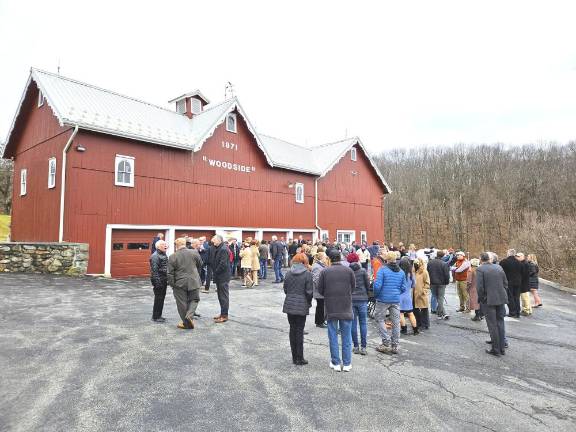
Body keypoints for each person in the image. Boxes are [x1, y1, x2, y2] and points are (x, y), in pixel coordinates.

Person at [317, 249, 355, 372]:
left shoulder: (325, 271)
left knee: (333, 336)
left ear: (329, 259)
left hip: (331, 307)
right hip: (346, 306)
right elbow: (352, 288)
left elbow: (320, 289)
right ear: (340, 258)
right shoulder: (349, 271)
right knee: (346, 336)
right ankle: (347, 363)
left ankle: (336, 362)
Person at [282, 253, 313, 365]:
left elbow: (285, 289)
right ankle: (300, 358)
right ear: (304, 261)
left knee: (292, 330)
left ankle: (294, 357)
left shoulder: (288, 273)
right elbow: (309, 292)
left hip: (290, 304)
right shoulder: (307, 274)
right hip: (301, 304)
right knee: (299, 331)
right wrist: (308, 302)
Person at [373, 251, 407, 354]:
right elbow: (403, 288)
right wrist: (396, 293)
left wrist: (377, 295)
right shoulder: (401, 272)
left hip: (383, 298)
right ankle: (395, 345)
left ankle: (386, 341)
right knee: (396, 322)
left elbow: (377, 285)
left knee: (379, 319)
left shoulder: (382, 270)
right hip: (395, 299)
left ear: (386, 259)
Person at [476, 252, 509, 356]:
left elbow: (480, 287)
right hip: (501, 298)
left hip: (489, 300)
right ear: (489, 259)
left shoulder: (480, 269)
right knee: (500, 322)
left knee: (492, 324)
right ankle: (502, 347)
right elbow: (505, 283)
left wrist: (482, 299)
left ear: (481, 259)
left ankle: (496, 349)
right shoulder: (498, 267)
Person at [167, 237, 203, 329]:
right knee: (194, 299)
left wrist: (172, 284)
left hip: (179, 283)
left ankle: (186, 322)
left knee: (181, 303)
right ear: (185, 244)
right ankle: (189, 316)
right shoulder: (194, 252)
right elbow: (200, 264)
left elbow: (170, 273)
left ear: (176, 246)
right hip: (194, 281)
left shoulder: (172, 256)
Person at [347, 252, 370, 355]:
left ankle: (356, 346)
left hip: (351, 299)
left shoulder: (347, 271)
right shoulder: (363, 271)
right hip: (362, 298)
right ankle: (364, 347)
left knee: (353, 323)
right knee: (363, 323)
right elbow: (367, 284)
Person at [211, 235, 232, 323]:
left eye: (214, 240)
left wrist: (215, 272)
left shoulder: (223, 249)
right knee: (221, 296)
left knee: (223, 296)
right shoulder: (220, 247)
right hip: (220, 276)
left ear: (219, 240)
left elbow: (223, 264)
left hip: (222, 276)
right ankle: (222, 313)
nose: (213, 242)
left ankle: (224, 315)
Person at [499, 249, 523, 318]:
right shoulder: (519, 262)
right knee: (517, 297)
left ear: (508, 254)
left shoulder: (504, 262)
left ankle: (512, 312)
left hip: (508, 281)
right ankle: (517, 312)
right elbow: (522, 272)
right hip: (518, 282)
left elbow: (500, 271)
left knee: (510, 297)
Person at [427, 250, 451, 320]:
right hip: (441, 283)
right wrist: (447, 282)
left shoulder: (430, 262)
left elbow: (427, 272)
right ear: (443, 256)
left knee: (436, 297)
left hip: (432, 283)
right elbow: (447, 275)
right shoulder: (444, 264)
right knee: (440, 298)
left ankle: (441, 313)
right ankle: (441, 314)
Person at [149, 239, 168, 322]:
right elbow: (154, 271)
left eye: (165, 244)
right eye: (163, 244)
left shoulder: (163, 254)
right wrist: (157, 282)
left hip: (163, 280)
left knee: (161, 299)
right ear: (158, 247)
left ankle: (159, 315)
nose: (166, 246)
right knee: (158, 299)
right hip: (159, 280)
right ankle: (156, 317)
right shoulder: (155, 256)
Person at [399, 257, 418, 335]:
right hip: (407, 296)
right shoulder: (411, 274)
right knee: (410, 313)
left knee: (401, 313)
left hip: (399, 296)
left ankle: (404, 329)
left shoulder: (399, 273)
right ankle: (415, 330)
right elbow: (414, 285)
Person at [311, 252, 329, 328]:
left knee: (321, 306)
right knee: (320, 307)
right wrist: (322, 288)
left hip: (320, 291)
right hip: (319, 291)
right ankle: (319, 322)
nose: (326, 258)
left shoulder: (320, 265)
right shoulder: (317, 266)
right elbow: (316, 279)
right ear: (321, 258)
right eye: (325, 257)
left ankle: (320, 321)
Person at [412, 258, 430, 330]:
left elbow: (427, 283)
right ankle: (418, 323)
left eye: (417, 263)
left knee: (424, 309)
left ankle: (425, 324)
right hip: (414, 293)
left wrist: (424, 290)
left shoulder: (424, 272)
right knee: (415, 309)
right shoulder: (413, 272)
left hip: (421, 293)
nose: (416, 264)